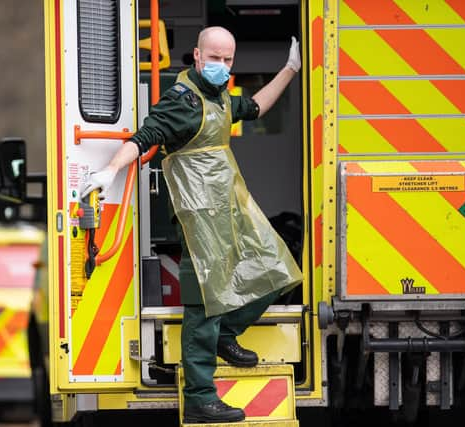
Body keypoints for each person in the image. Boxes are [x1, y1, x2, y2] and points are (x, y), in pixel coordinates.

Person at [81, 26, 302, 423]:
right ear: (197, 57)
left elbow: (254, 107)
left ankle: (226, 337)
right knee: (204, 304)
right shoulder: (182, 101)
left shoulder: (217, 98)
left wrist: (289, 69)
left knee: (277, 269)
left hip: (229, 207)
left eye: (228, 60)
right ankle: (201, 397)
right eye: (214, 58)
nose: (221, 66)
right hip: (197, 215)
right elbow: (144, 136)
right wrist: (109, 170)